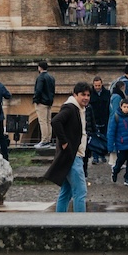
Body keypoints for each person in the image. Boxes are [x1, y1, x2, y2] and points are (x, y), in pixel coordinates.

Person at [43, 81, 92, 212]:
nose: (86, 97)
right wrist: (64, 142)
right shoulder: (70, 108)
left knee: (66, 191)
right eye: (83, 94)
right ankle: (80, 225)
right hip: (72, 156)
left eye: (88, 95)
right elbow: (55, 121)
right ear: (75, 94)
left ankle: (60, 222)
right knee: (80, 191)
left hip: (73, 155)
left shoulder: (79, 109)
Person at [109, 96, 128, 185]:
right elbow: (111, 131)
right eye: (124, 107)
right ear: (121, 107)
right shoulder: (116, 117)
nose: (126, 109)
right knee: (120, 161)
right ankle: (115, 171)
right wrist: (110, 146)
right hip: (121, 144)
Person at [87, 76, 111, 164]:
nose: (97, 87)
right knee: (95, 139)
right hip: (94, 119)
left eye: (99, 85)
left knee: (104, 138)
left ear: (102, 84)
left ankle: (103, 155)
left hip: (104, 119)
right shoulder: (90, 94)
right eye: (96, 85)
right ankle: (95, 157)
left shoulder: (107, 93)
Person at [32, 61, 56, 147]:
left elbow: (38, 90)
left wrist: (35, 99)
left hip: (41, 102)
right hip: (49, 102)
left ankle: (44, 140)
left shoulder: (40, 78)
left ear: (39, 67)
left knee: (42, 122)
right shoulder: (51, 77)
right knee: (48, 121)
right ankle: (48, 139)